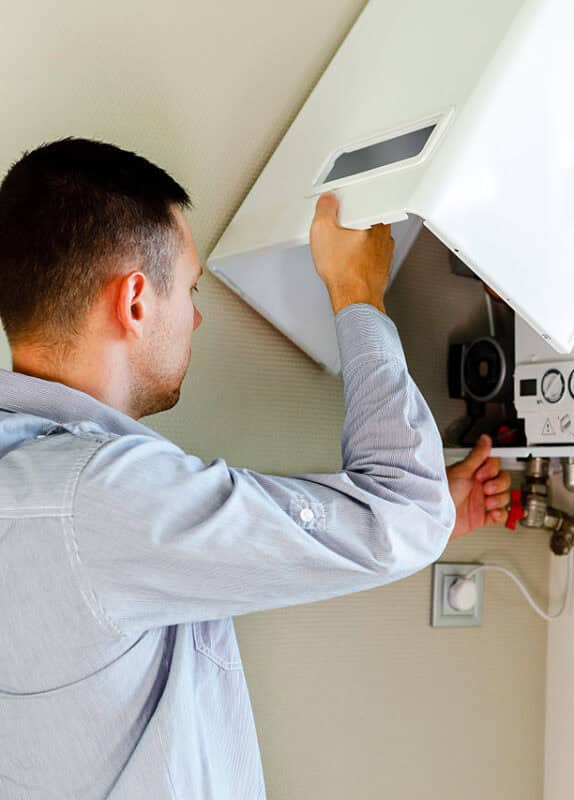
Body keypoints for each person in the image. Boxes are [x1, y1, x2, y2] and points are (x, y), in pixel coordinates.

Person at [0, 138, 510, 798]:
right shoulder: (98, 501)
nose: (198, 315)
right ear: (134, 302)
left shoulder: (37, 484)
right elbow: (403, 512)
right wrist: (358, 291)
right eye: (187, 289)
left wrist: (412, 520)